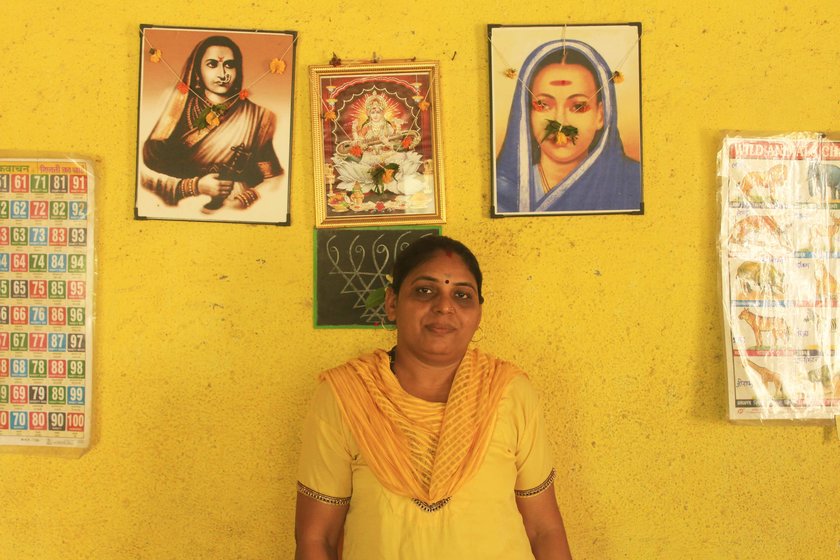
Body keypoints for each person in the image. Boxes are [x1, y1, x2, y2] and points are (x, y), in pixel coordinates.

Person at [295, 235, 573, 559]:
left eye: (462, 295)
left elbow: (544, 529)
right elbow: (317, 538)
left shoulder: (509, 391)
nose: (444, 306)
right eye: (425, 291)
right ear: (392, 303)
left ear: (479, 313)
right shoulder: (346, 394)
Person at [495, 39, 641, 214]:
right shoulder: (501, 188)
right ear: (526, 113)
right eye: (543, 105)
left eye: (578, 106)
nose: (560, 122)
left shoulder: (633, 181)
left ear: (601, 115)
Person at [140, 35, 283, 211]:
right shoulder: (178, 109)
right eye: (212, 64)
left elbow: (274, 179)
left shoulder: (258, 117)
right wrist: (195, 186)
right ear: (197, 71)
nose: (223, 74)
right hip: (179, 209)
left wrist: (241, 201)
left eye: (229, 65)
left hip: (232, 211)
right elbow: (143, 175)